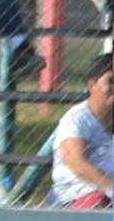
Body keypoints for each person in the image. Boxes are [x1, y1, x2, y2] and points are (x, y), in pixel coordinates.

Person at [47, 52, 113, 209]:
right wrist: (111, 188)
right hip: (75, 198)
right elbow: (76, 162)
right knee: (101, 202)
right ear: (92, 85)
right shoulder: (77, 118)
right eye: (111, 81)